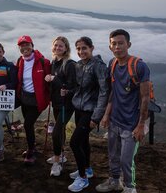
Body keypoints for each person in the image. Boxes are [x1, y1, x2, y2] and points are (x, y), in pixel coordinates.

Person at [96, 29, 150, 193]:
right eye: (114, 44)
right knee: (113, 155)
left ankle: (129, 187)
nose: (117, 47)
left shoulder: (139, 66)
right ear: (110, 46)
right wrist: (106, 114)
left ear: (128, 44)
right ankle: (114, 181)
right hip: (115, 120)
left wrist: (141, 125)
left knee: (126, 161)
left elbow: (145, 97)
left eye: (121, 43)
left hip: (132, 123)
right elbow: (114, 91)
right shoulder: (112, 63)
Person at [67, 37, 109, 192]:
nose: (81, 51)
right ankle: (87, 169)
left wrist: (96, 117)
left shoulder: (99, 66)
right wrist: (68, 92)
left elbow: (104, 92)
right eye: (78, 48)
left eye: (84, 48)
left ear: (92, 48)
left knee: (74, 142)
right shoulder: (79, 65)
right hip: (79, 108)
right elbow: (80, 88)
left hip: (90, 111)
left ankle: (83, 178)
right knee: (83, 141)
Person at [15, 35, 51, 165]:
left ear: (32, 46)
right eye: (22, 45)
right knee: (28, 125)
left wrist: (51, 96)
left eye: (27, 45)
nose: (25, 48)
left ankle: (31, 151)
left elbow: (49, 81)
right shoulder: (20, 61)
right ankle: (32, 147)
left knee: (27, 124)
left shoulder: (43, 62)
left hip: (38, 100)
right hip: (25, 99)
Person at [44, 36, 76, 176]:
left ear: (66, 48)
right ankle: (61, 155)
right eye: (56, 45)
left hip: (66, 105)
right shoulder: (54, 62)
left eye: (61, 46)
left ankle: (57, 162)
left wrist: (54, 79)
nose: (57, 48)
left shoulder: (69, 64)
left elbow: (71, 85)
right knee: (60, 129)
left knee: (56, 132)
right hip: (57, 103)